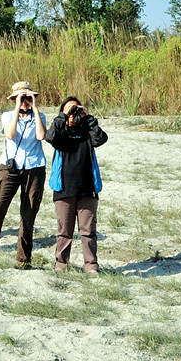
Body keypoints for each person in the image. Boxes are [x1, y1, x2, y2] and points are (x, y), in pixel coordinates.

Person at [0, 81, 48, 269]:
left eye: (27, 97)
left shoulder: (40, 116)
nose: (25, 101)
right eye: (21, 98)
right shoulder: (7, 115)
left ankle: (23, 259)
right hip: (10, 168)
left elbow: (41, 136)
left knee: (29, 212)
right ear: (14, 99)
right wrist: (17, 109)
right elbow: (10, 134)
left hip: (34, 168)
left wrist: (36, 108)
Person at [45, 96, 108, 273]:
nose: (74, 114)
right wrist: (62, 117)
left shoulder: (87, 132)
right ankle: (61, 264)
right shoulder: (60, 133)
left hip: (88, 189)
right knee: (64, 231)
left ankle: (91, 265)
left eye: (76, 110)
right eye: (70, 111)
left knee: (88, 231)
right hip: (63, 189)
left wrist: (88, 118)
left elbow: (101, 139)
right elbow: (49, 137)